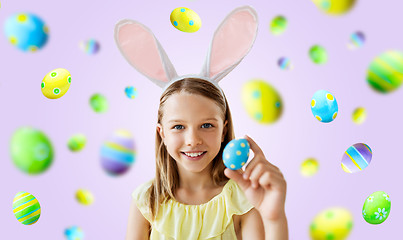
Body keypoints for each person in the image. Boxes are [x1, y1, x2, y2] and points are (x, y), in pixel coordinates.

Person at [114, 6, 288, 240]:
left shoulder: (244, 198)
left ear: (224, 129)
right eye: (178, 126)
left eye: (207, 125)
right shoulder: (147, 202)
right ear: (162, 133)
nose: (193, 139)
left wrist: (274, 218)